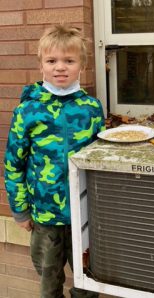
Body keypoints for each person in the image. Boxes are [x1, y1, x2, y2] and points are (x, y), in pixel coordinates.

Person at [4, 23, 105, 298]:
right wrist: (20, 209)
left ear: (81, 65)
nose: (60, 67)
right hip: (45, 214)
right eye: (52, 60)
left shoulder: (91, 108)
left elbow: (99, 158)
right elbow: (14, 162)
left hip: (84, 212)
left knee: (89, 277)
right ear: (41, 66)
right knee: (49, 278)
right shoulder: (28, 110)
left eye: (69, 60)